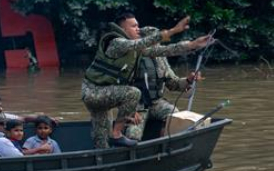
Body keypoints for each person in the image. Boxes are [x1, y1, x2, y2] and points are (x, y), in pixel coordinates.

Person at [82, 13, 212, 149]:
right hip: (133, 105)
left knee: (176, 118)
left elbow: (171, 74)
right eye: (134, 27)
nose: (156, 43)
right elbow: (120, 90)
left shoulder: (152, 56)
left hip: (153, 102)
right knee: (130, 133)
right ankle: (120, 146)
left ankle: (164, 150)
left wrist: (192, 47)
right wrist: (173, 31)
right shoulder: (122, 46)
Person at [126, 26, 206, 141]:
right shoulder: (131, 58)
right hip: (136, 106)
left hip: (156, 103)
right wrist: (130, 110)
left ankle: (164, 145)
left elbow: (173, 83)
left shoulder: (161, 59)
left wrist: (188, 80)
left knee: (175, 117)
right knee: (132, 136)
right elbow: (121, 87)